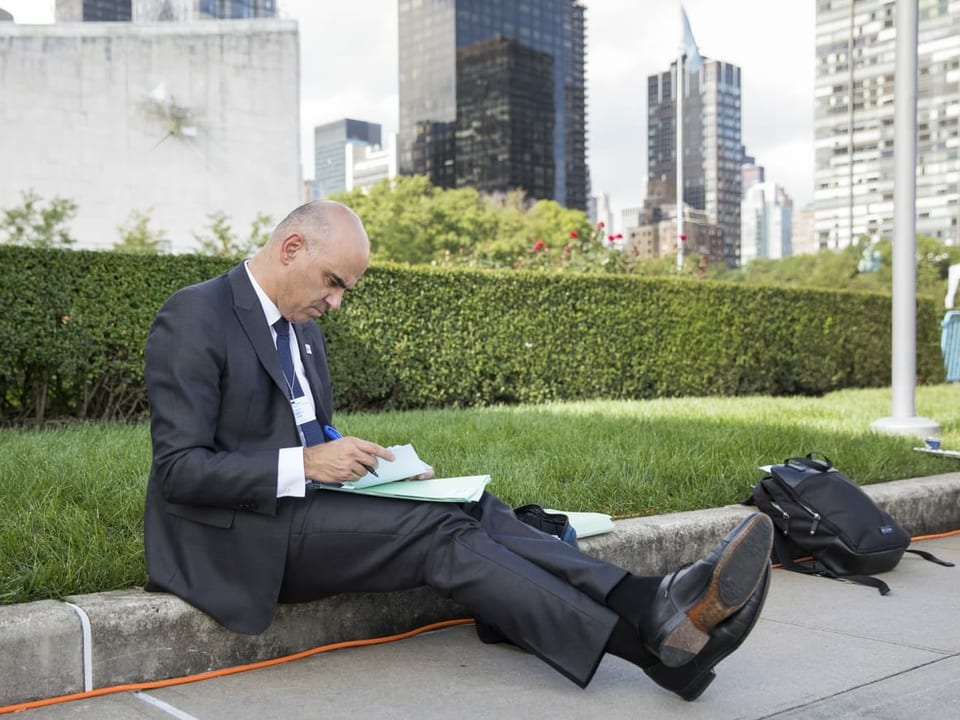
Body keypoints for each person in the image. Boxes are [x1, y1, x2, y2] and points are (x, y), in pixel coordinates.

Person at [143, 200, 774, 701]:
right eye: (333, 282)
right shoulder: (196, 315)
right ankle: (652, 652)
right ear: (290, 248)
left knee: (473, 505)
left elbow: (305, 429)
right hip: (235, 537)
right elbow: (179, 472)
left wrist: (367, 460)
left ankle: (645, 601)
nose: (336, 302)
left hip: (307, 506)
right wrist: (304, 463)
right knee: (438, 533)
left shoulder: (302, 331)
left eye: (344, 291)